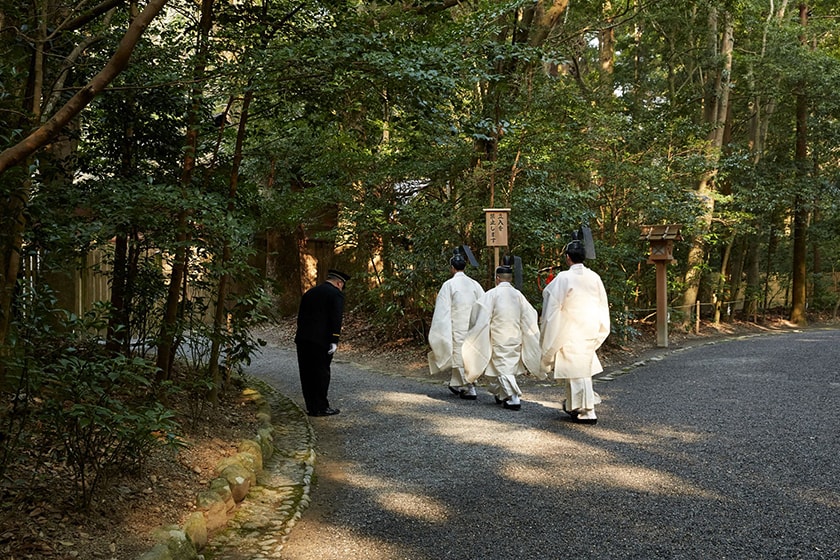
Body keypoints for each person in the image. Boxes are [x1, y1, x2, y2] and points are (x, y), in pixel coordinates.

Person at [540, 239, 610, 424]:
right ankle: (575, 406)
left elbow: (552, 305)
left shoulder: (564, 277)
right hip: (590, 328)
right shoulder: (594, 277)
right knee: (579, 370)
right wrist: (601, 330)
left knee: (577, 371)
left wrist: (548, 330)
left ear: (568, 257)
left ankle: (587, 410)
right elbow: (603, 305)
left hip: (569, 329)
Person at [462, 263, 541, 410]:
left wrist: (476, 332)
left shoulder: (492, 294)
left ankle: (513, 397)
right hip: (515, 336)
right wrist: (529, 334)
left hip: (498, 336)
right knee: (503, 367)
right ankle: (501, 393)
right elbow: (530, 315)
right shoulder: (518, 295)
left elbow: (479, 314)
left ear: (497, 278)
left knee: (503, 367)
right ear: (510, 278)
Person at [427, 250, 485, 399]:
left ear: (452, 268)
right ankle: (456, 383)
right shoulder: (475, 284)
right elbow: (483, 304)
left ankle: (469, 387)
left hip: (457, 325)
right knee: (468, 354)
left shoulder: (449, 285)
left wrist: (441, 328)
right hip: (472, 325)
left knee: (459, 355)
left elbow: (442, 310)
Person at [295, 269, 350, 417]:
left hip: (303, 339)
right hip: (321, 341)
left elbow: (300, 318)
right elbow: (336, 319)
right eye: (342, 285)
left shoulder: (310, 293)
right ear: (339, 283)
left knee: (306, 373)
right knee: (321, 373)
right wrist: (334, 340)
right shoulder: (336, 294)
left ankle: (311, 406)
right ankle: (321, 407)